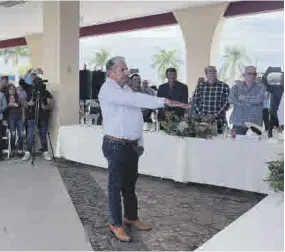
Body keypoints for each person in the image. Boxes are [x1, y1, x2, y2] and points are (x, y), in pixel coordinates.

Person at [98, 56, 189, 242]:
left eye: (126, 69)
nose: (127, 72)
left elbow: (135, 117)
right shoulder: (108, 89)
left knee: (130, 186)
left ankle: (131, 217)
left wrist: (140, 143)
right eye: (122, 70)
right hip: (115, 145)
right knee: (115, 187)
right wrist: (166, 102)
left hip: (131, 147)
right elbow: (134, 100)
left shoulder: (126, 89)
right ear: (111, 73)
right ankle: (116, 224)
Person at [190, 66, 230, 133]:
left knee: (220, 143)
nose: (213, 73)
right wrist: (203, 116)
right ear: (206, 74)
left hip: (219, 123)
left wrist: (215, 115)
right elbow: (195, 103)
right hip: (202, 123)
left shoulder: (224, 86)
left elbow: (227, 103)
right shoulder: (200, 86)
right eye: (210, 71)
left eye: (214, 71)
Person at [22, 76, 53, 161]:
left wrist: (45, 106)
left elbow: (50, 105)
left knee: (43, 134)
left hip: (43, 117)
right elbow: (24, 103)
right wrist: (28, 104)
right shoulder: (30, 91)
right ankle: (28, 152)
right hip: (32, 116)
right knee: (30, 135)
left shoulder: (46, 93)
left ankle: (45, 152)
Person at [229, 66, 266, 135]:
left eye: (254, 74)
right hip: (239, 123)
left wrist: (242, 97)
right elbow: (232, 99)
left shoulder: (261, 87)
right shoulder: (236, 87)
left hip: (255, 124)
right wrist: (252, 101)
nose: (252, 76)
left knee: (255, 145)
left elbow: (259, 100)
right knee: (235, 145)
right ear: (244, 75)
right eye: (249, 73)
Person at [5, 84, 24, 156]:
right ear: (8, 90)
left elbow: (22, 108)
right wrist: (8, 105)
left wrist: (23, 117)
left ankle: (20, 149)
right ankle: (12, 149)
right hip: (11, 117)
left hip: (19, 117)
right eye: (10, 89)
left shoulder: (18, 97)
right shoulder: (6, 98)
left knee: (21, 134)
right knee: (13, 134)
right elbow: (3, 108)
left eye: (13, 89)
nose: (12, 90)